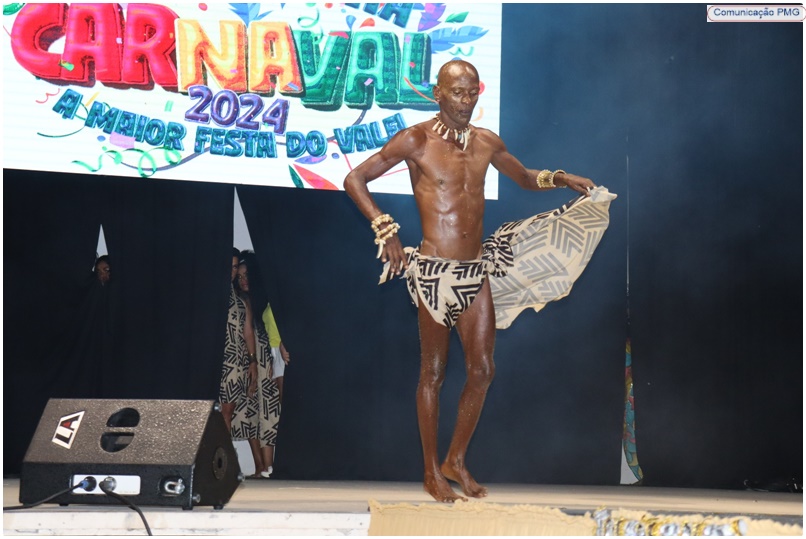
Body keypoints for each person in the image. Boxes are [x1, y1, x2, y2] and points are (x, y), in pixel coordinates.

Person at [344, 60, 604, 503]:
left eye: (472, 93)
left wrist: (561, 178)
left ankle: (455, 460)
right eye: (457, 93)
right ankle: (430, 470)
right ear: (437, 93)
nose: (465, 102)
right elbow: (355, 179)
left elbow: (523, 177)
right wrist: (385, 228)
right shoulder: (416, 140)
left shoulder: (486, 142)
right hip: (434, 274)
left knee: (482, 371)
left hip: (474, 272)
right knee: (433, 373)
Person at [235, 251, 281, 479]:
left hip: (265, 361)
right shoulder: (239, 301)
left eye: (247, 275)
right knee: (248, 412)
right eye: (239, 276)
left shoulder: (265, 300)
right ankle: (259, 466)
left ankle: (268, 467)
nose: (243, 280)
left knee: (268, 411)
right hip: (244, 362)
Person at [219, 248, 255, 438]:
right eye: (229, 266)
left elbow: (248, 332)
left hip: (235, 361)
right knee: (216, 412)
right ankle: (217, 453)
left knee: (227, 411)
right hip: (218, 357)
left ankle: (222, 453)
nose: (232, 271)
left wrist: (253, 361)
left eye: (234, 267)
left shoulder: (240, 298)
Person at [262, 305, 291, 402]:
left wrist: (284, 341)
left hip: (283, 349)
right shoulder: (269, 302)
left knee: (286, 399)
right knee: (282, 399)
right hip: (274, 351)